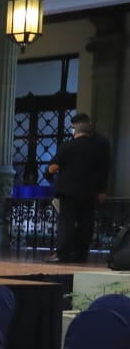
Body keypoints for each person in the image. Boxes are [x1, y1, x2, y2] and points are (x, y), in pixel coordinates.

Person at [46, 113, 111, 264]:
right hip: (89, 191)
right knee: (86, 223)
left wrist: (49, 174)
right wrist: (101, 190)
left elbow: (53, 167)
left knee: (66, 222)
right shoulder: (99, 147)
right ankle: (81, 254)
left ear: (75, 129)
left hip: (68, 191)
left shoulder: (68, 146)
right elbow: (104, 170)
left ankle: (62, 253)